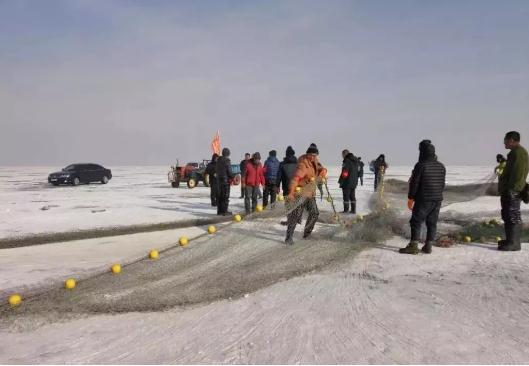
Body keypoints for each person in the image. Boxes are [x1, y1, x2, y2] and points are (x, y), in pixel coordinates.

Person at [399, 140, 446, 254]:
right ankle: (428, 245)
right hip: (437, 199)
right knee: (432, 222)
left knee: (416, 221)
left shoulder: (421, 165)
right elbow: (442, 184)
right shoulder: (441, 166)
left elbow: (415, 183)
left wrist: (411, 197)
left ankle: (413, 246)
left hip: (424, 198)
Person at [285, 143, 327, 245]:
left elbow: (321, 168)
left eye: (315, 155)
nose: (313, 157)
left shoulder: (315, 161)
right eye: (311, 155)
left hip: (310, 194)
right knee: (295, 216)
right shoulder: (303, 165)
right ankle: (288, 237)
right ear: (307, 154)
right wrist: (291, 192)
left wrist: (323, 172)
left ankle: (307, 234)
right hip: (300, 194)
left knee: (314, 213)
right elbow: (295, 179)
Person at [498, 131, 528, 251]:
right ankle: (510, 239)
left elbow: (518, 173)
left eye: (505, 139)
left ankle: (514, 243)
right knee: (507, 214)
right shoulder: (514, 153)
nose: (504, 142)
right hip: (509, 189)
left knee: (513, 215)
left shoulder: (519, 153)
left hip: (513, 190)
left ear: (511, 140)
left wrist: (513, 189)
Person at [338, 149, 359, 214]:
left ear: (345, 154)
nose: (342, 156)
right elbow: (358, 171)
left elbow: (345, 172)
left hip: (347, 182)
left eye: (342, 154)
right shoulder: (356, 161)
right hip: (354, 182)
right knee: (352, 196)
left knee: (346, 196)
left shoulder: (346, 161)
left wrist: (341, 180)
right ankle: (353, 210)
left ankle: (346, 210)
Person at [216, 148, 235, 216]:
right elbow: (229, 172)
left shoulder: (218, 160)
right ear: (228, 154)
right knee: (225, 197)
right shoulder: (227, 161)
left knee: (220, 196)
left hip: (219, 181)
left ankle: (219, 211)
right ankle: (225, 211)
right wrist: (233, 176)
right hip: (225, 181)